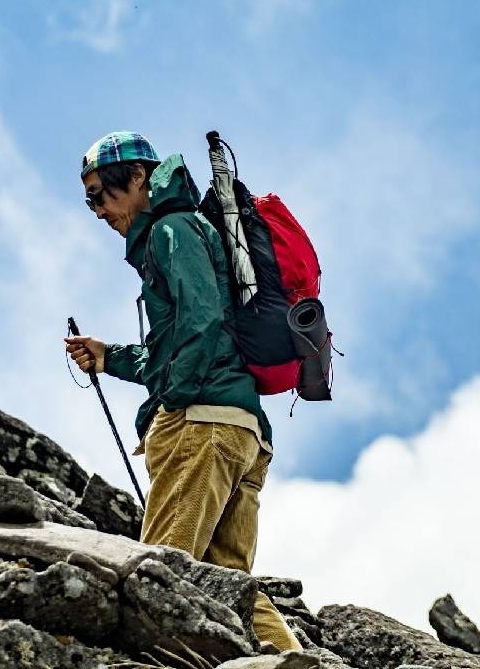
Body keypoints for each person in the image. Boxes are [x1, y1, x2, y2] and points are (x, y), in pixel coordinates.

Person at [65, 131, 302, 653]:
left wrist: (174, 405)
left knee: (163, 576)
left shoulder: (170, 230)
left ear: (138, 177)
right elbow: (182, 344)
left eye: (100, 194)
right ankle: (292, 660)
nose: (97, 211)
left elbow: (200, 320)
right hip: (241, 432)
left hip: (202, 426)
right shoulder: (184, 230)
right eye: (88, 202)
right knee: (228, 585)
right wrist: (109, 357)